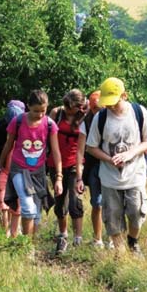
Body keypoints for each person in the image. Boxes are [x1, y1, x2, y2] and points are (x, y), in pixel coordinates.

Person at [86, 78, 147, 256]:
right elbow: (91, 147)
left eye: (113, 103)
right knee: (112, 219)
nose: (109, 107)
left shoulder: (139, 112)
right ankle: (121, 254)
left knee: (137, 212)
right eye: (106, 103)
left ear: (124, 96)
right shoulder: (100, 118)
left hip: (135, 174)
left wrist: (130, 154)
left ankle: (133, 241)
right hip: (109, 178)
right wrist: (109, 159)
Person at [0, 90, 63, 238]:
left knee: (36, 214)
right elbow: (8, 145)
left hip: (38, 171)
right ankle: (26, 246)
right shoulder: (18, 122)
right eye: (35, 111)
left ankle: (31, 246)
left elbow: (56, 152)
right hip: (19, 169)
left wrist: (58, 177)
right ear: (28, 107)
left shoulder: (50, 125)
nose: (39, 114)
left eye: (43, 111)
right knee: (28, 208)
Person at [48, 89, 87, 254]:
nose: (67, 109)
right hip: (55, 163)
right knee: (59, 199)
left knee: (75, 200)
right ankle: (63, 234)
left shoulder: (85, 117)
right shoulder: (56, 113)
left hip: (75, 163)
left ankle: (78, 237)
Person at [0, 100, 25, 237]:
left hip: (19, 171)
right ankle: (5, 233)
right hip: (2, 169)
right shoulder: (0, 129)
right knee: (2, 202)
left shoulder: (26, 129)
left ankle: (14, 232)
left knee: (17, 203)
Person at [76, 90, 108, 248]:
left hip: (111, 166)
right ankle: (98, 239)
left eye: (100, 108)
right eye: (94, 108)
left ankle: (114, 238)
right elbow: (80, 151)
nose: (97, 111)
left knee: (114, 204)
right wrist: (79, 177)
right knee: (97, 203)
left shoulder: (112, 118)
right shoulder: (85, 123)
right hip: (94, 166)